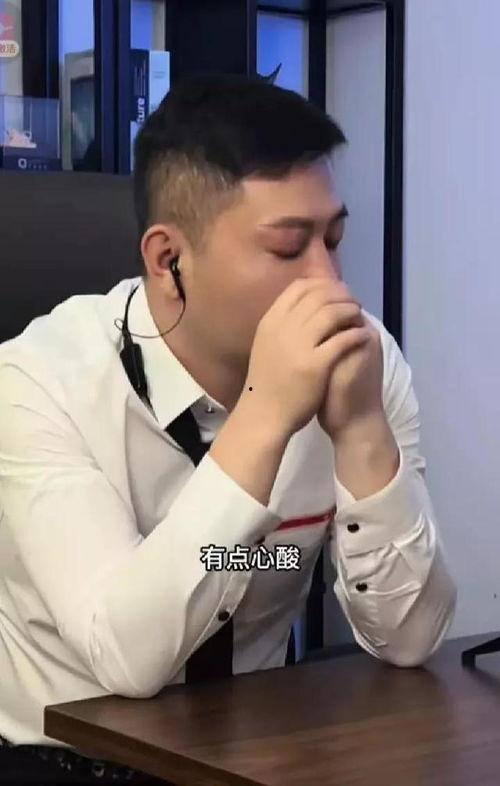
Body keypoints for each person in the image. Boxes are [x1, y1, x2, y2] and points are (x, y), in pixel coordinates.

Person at [0, 73, 456, 784]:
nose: (330, 283)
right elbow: (125, 658)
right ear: (168, 261)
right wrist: (265, 415)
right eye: (289, 249)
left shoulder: (362, 359)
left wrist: (364, 430)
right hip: (63, 761)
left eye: (334, 240)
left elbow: (411, 638)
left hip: (259, 753)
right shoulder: (38, 381)